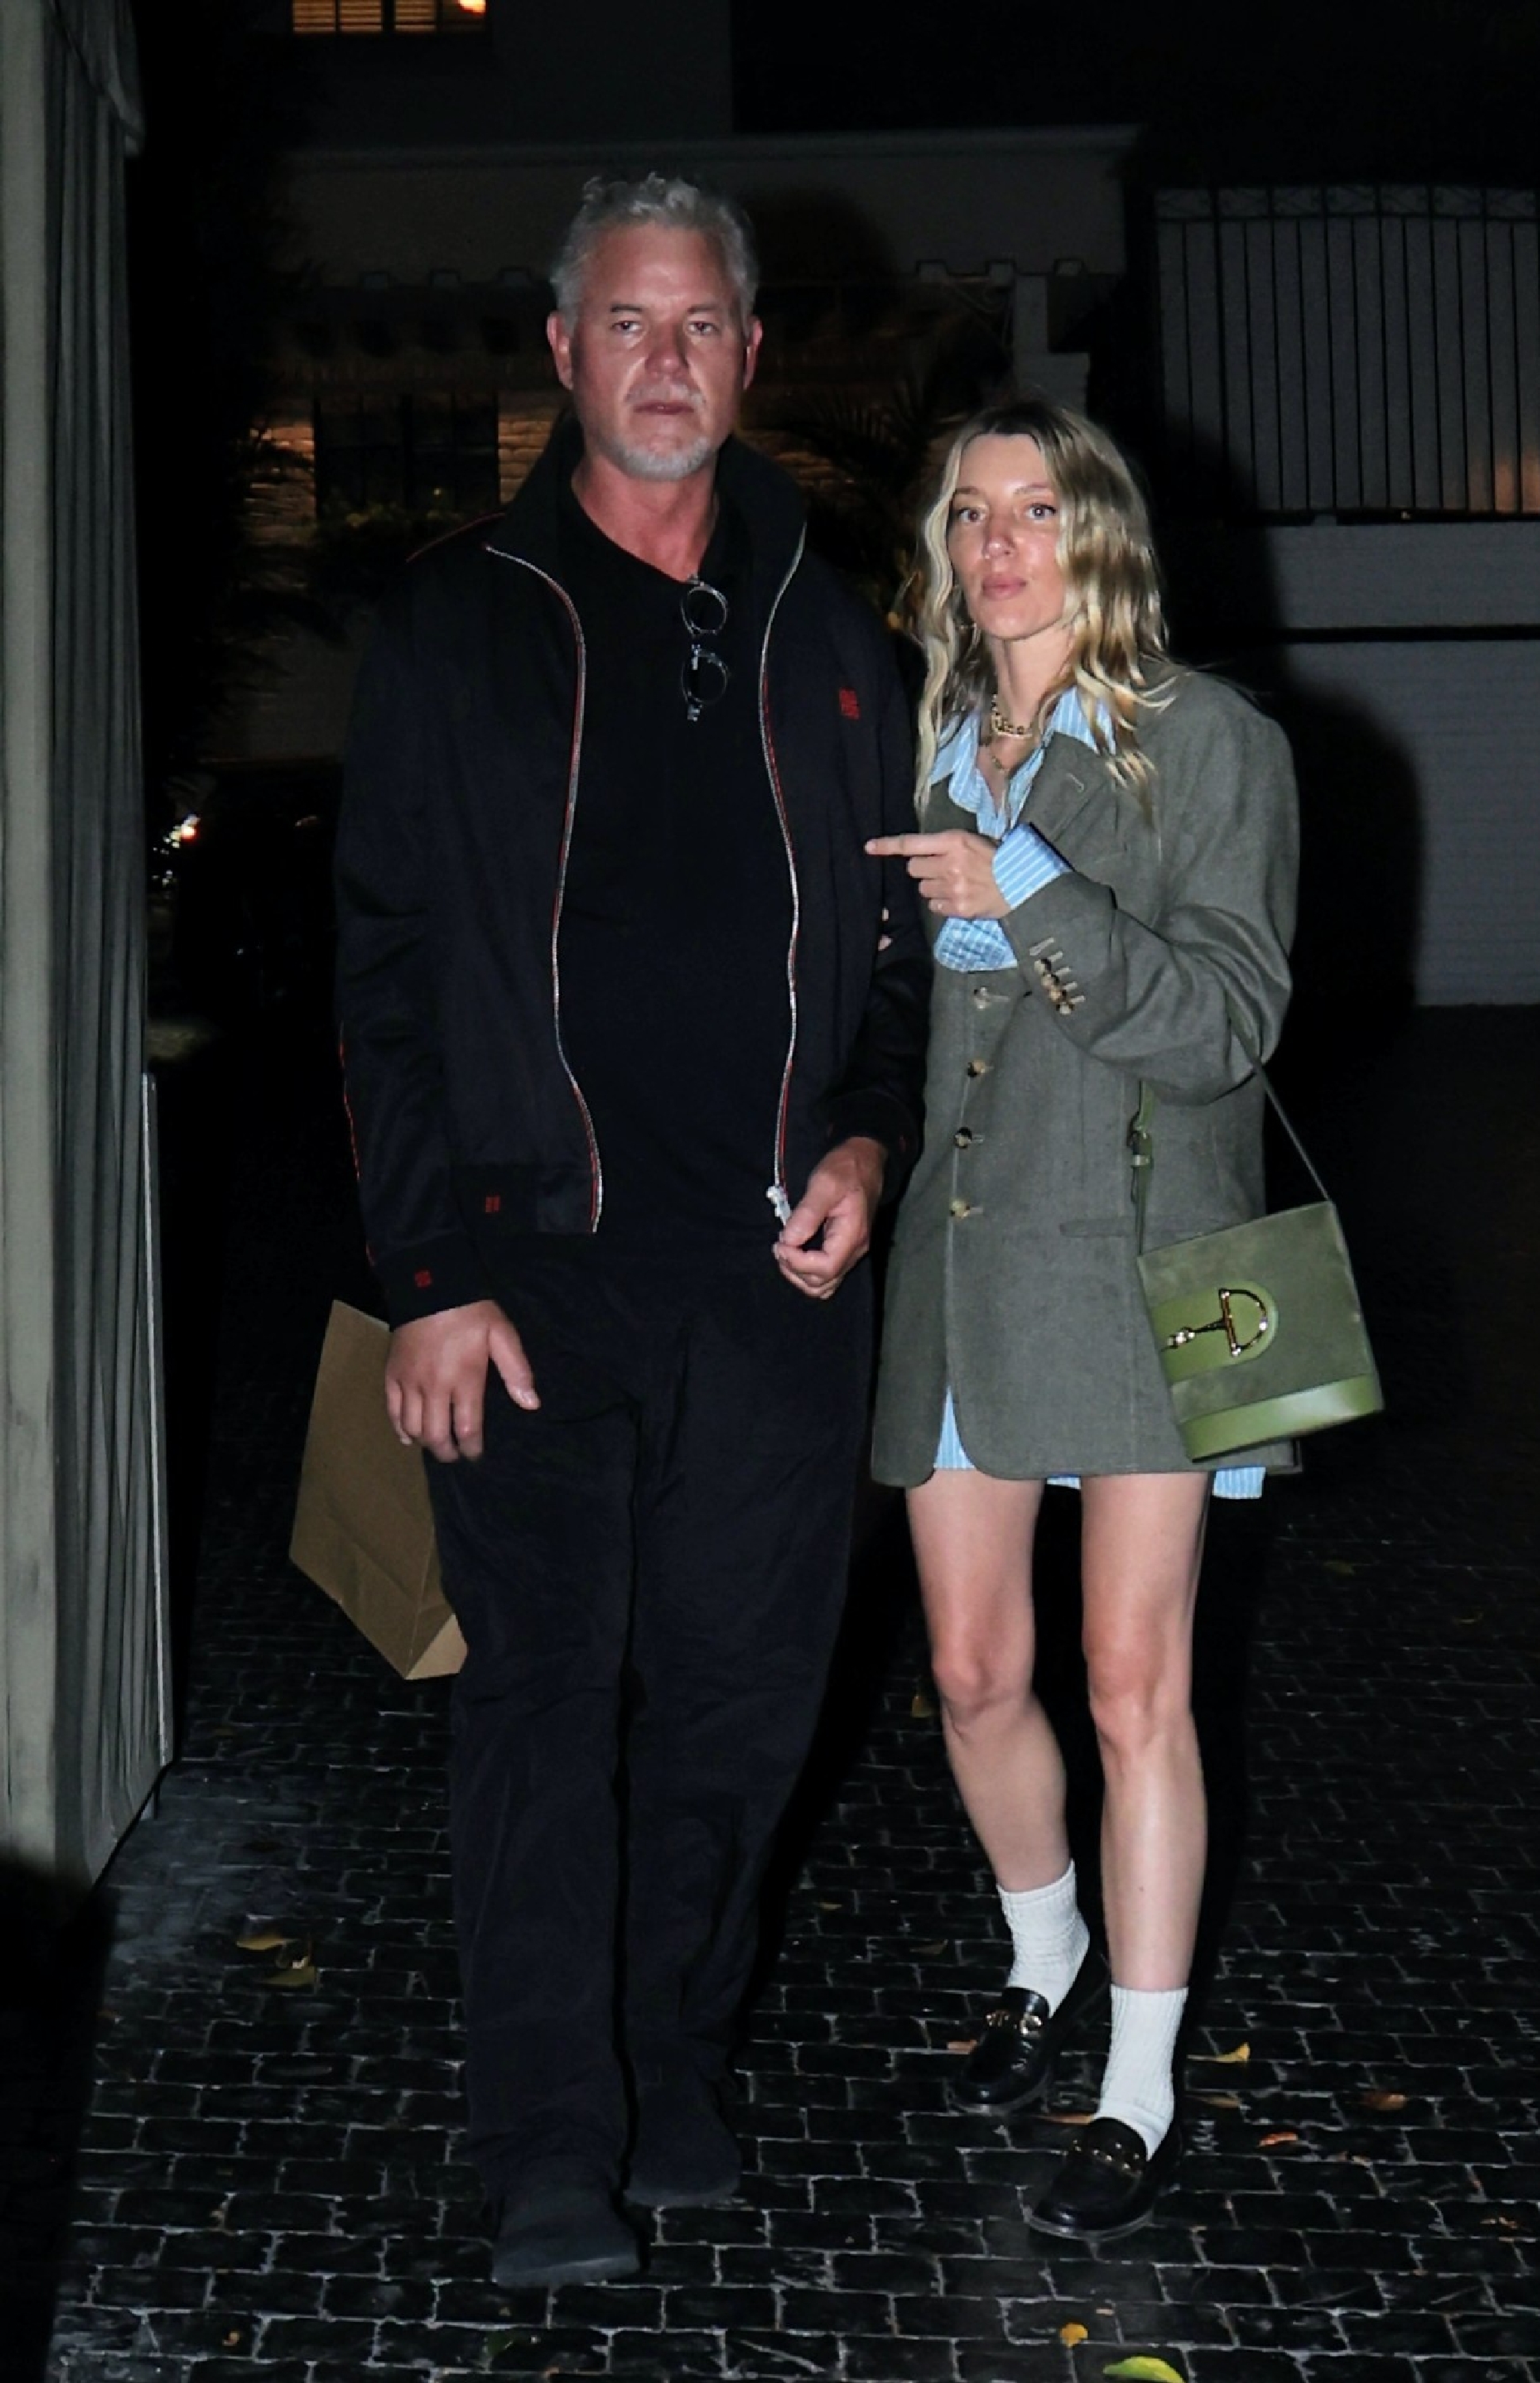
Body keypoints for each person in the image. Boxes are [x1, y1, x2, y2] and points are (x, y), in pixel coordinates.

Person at [334, 172, 928, 2291]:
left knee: (745, 1701)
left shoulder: (830, 627)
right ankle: (546, 2138)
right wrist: (425, 1272)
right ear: (562, 349)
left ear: (748, 355)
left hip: (772, 1273)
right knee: (539, 1705)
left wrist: (868, 1148)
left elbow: (886, 947)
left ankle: (671, 2054)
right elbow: (385, 971)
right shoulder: (453, 625)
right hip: (529, 1262)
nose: (665, 361)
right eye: (627, 323)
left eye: (702, 326)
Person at [867, 397, 1297, 2244]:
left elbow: (1227, 1025)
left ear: (1097, 533)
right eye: (972, 514)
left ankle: (1134, 2089)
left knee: (1133, 1684)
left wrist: (1028, 887)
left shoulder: (1208, 743)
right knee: (972, 1672)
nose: (1000, 545)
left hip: (1155, 1260)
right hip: (962, 1265)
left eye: (1036, 509)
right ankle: (1040, 1962)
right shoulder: (931, 741)